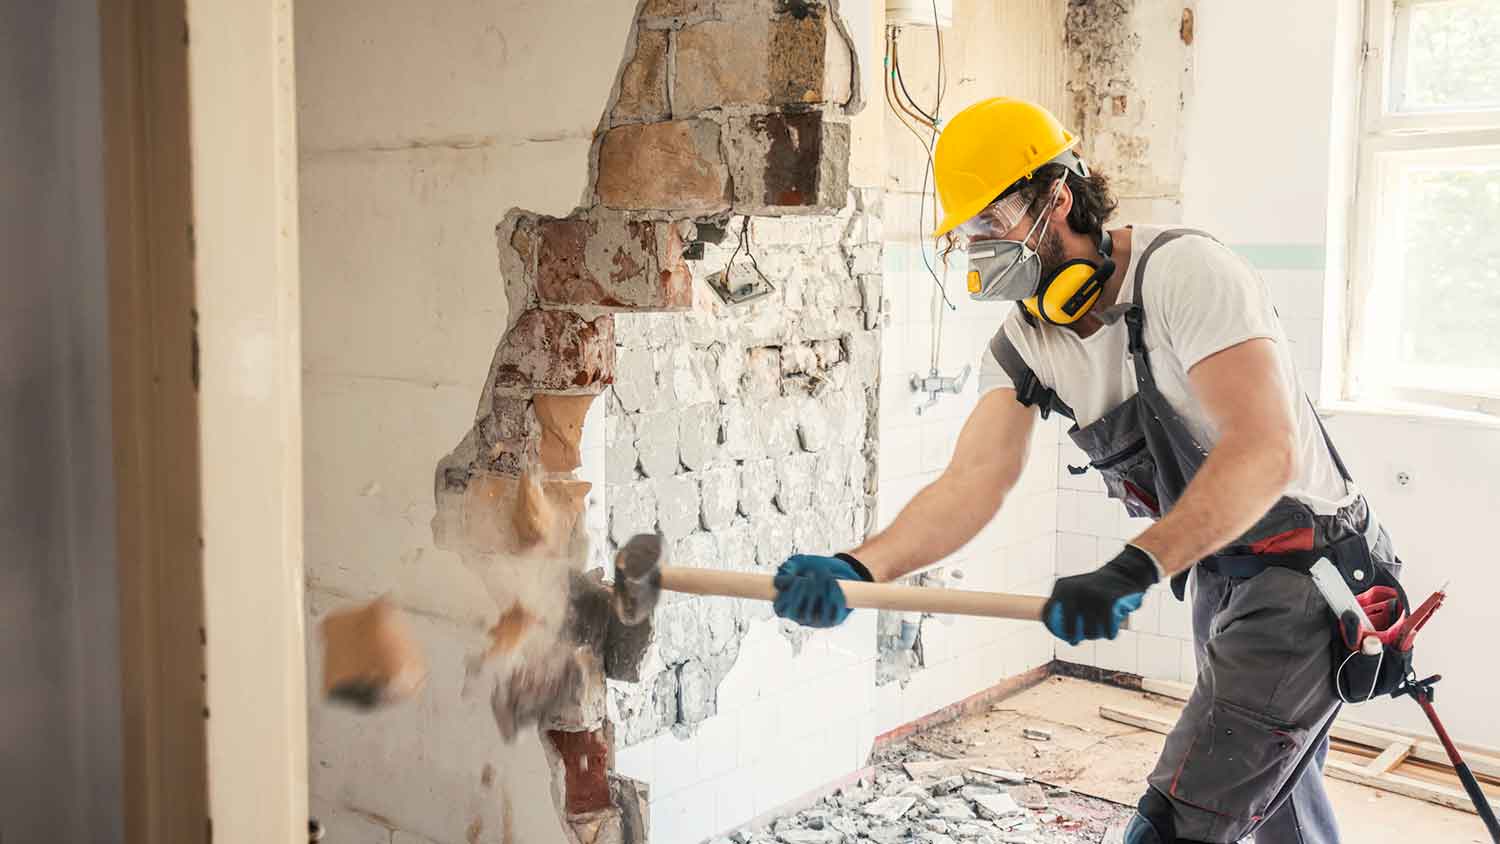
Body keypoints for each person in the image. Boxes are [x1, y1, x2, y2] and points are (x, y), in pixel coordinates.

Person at [770, 97, 1401, 844]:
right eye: (964, 233)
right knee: (1277, 805)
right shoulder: (1028, 340)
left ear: (1057, 199)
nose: (976, 247)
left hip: (1308, 578)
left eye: (990, 224)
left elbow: (1266, 452)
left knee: (1178, 823)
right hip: (1220, 577)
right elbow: (973, 479)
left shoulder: (1184, 273)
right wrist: (857, 566)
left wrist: (1132, 569)